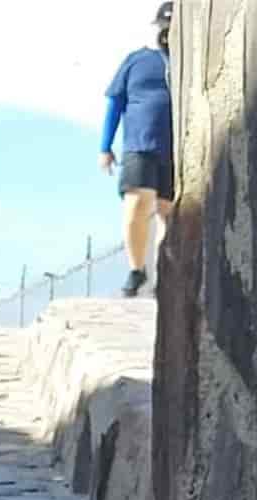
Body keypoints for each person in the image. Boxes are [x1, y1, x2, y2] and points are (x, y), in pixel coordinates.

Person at [99, 3, 175, 298]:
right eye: (164, 28)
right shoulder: (137, 60)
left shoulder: (188, 62)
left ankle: (165, 278)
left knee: (169, 215)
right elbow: (115, 103)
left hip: (175, 151)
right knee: (136, 205)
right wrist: (105, 147)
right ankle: (137, 269)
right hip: (140, 144)